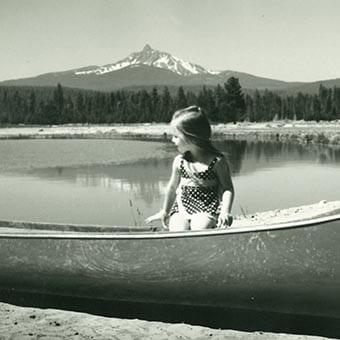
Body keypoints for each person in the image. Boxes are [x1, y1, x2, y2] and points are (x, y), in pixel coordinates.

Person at [146, 105, 234, 231]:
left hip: (207, 208)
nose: (172, 140)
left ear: (191, 138)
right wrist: (164, 211)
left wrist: (225, 212)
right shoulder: (179, 162)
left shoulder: (216, 162)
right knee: (178, 229)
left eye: (176, 136)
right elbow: (172, 187)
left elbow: (227, 188)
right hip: (182, 207)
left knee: (199, 227)